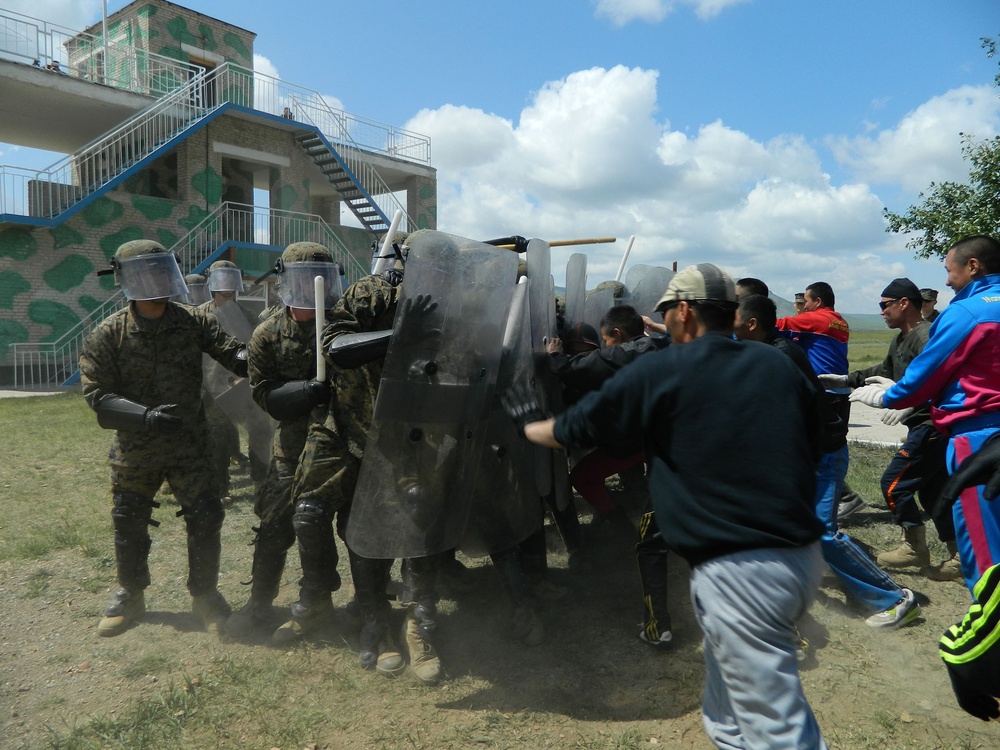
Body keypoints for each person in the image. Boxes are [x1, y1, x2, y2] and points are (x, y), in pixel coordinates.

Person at [510, 264, 829, 750]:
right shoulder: (774, 362)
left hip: (740, 570)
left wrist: (525, 424)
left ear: (683, 311)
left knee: (779, 731)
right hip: (803, 558)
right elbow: (820, 434)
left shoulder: (664, 369)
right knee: (726, 714)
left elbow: (572, 430)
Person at [79, 240, 248, 638]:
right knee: (128, 518)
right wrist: (146, 417)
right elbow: (97, 395)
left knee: (206, 515)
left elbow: (232, 352)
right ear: (125, 278)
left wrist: (258, 355)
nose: (154, 279)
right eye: (144, 272)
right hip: (136, 447)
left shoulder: (192, 322)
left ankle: (205, 594)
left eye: (160, 270)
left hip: (190, 445)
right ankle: (130, 593)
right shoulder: (109, 333)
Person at [737, 294, 920, 630]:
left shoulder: (780, 355)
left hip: (824, 453)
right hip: (803, 454)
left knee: (823, 532)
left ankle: (895, 598)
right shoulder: (766, 350)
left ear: (751, 323)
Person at [851, 235, 1000, 594]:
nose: (947, 281)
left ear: (973, 266)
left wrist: (890, 397)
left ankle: (987, 630)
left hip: (977, 436)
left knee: (984, 545)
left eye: (950, 271)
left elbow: (923, 377)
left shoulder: (966, 313)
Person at [226, 243, 341, 637]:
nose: (312, 288)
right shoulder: (268, 333)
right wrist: (308, 391)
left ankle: (320, 602)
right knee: (274, 521)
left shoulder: (346, 325)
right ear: (286, 281)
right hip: (292, 441)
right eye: (303, 279)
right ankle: (259, 602)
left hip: (344, 443)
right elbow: (265, 395)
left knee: (320, 519)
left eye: (320, 279)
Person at [548, 304, 671, 646]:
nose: (606, 346)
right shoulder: (658, 345)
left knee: (582, 478)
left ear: (617, 335)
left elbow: (573, 369)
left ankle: (621, 528)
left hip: (635, 442)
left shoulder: (629, 352)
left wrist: (556, 356)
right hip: (657, 437)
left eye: (606, 340)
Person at [820, 278, 957, 580]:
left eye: (884, 305)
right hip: (922, 424)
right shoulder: (900, 339)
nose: (881, 312)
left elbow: (940, 379)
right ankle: (958, 556)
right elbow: (882, 372)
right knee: (935, 494)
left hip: (931, 424)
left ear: (903, 303)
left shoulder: (926, 336)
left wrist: (911, 404)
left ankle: (914, 547)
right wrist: (843, 380)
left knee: (894, 483)